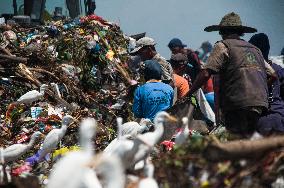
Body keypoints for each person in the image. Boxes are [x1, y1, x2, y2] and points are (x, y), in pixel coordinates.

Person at [187, 12, 276, 137]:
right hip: (258, 105)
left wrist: (189, 92)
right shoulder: (255, 49)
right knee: (248, 139)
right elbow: (273, 75)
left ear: (222, 31)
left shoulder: (223, 46)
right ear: (240, 32)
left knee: (236, 140)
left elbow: (206, 72)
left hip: (237, 104)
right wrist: (259, 91)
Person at [249, 33, 284, 135]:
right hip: (281, 114)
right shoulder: (278, 69)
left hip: (263, 121)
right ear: (268, 49)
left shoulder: (249, 71)